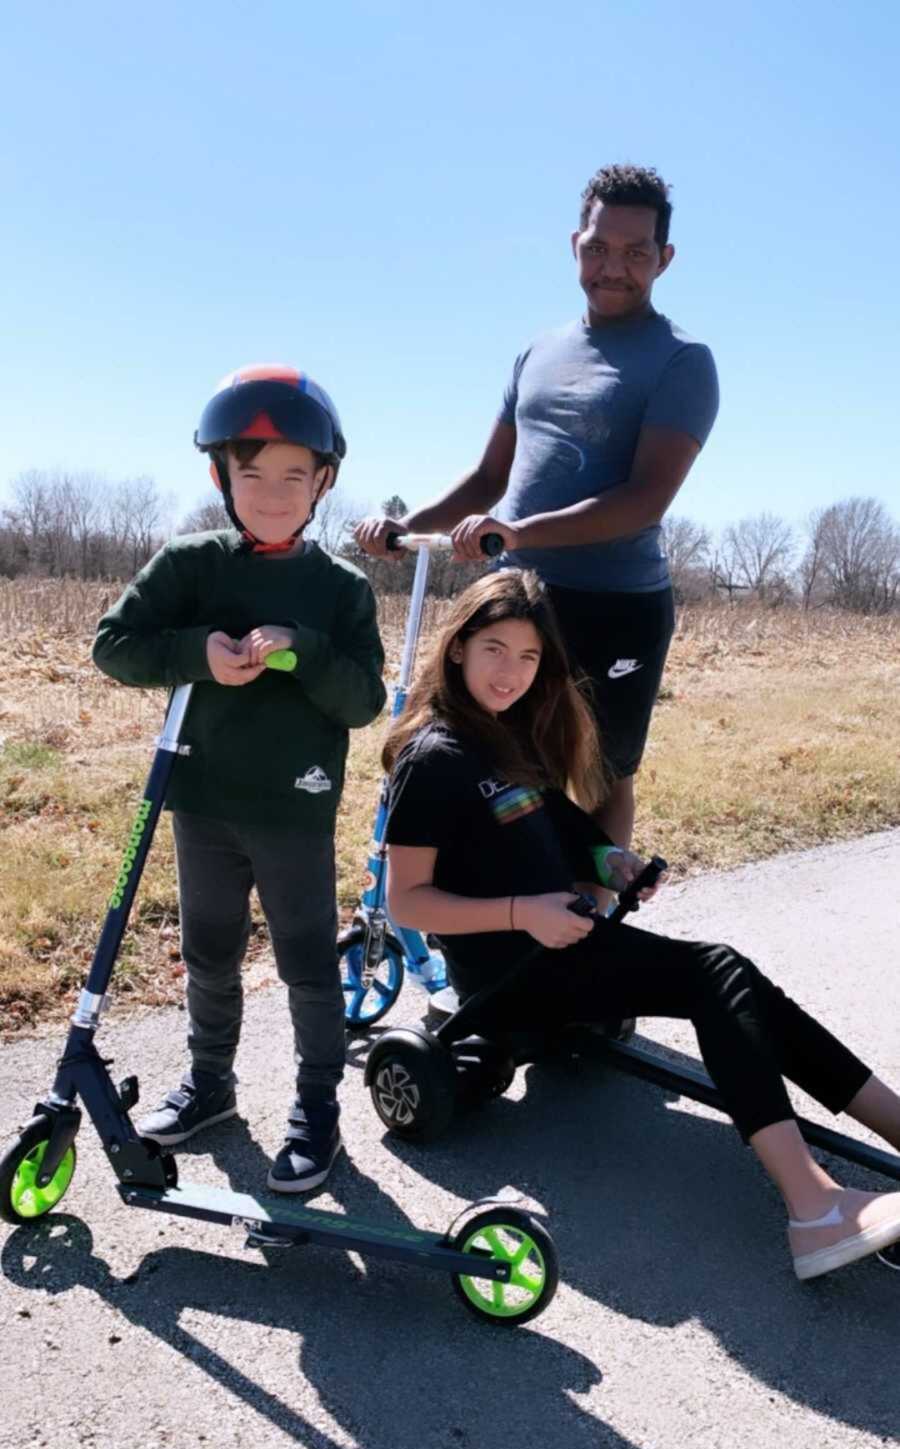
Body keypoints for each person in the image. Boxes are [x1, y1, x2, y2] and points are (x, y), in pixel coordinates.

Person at [382, 569, 900, 1280]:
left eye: (530, 658)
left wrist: (612, 860)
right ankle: (813, 1207)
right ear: (459, 647)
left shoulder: (504, 737)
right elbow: (404, 902)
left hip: (560, 943)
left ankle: (889, 1127)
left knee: (728, 977)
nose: (512, 672)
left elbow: (563, 830)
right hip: (509, 973)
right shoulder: (434, 758)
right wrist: (521, 912)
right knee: (713, 974)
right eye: (496, 649)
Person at [357, 162, 719, 856]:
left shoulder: (682, 361)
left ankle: (598, 918)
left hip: (616, 604)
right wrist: (411, 526)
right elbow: (492, 476)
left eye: (637, 252)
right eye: (599, 248)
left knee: (600, 775)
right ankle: (504, 906)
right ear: (575, 245)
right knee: (490, 756)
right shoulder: (538, 351)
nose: (615, 267)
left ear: (664, 259)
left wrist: (518, 531)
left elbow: (644, 500)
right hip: (521, 598)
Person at [93, 365, 386, 1192]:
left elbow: (363, 700)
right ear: (220, 476)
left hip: (293, 809)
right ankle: (211, 1086)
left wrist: (303, 651)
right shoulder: (190, 566)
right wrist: (198, 656)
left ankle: (317, 1106)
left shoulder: (340, 589)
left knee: (305, 963)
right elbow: (113, 645)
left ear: (324, 481)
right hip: (200, 801)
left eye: (295, 474)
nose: (272, 492)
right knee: (209, 952)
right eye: (251, 473)